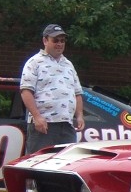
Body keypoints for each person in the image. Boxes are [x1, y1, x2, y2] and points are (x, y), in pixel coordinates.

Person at [19, 24, 84, 154]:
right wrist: (37, 117)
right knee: (39, 166)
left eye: (62, 41)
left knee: (65, 167)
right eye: (55, 40)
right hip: (44, 125)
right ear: (45, 40)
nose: (59, 44)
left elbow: (77, 93)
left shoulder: (68, 64)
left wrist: (80, 115)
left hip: (67, 125)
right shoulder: (34, 62)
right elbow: (26, 91)